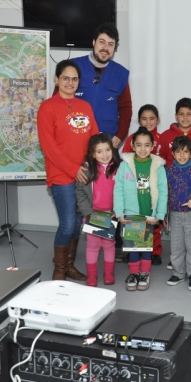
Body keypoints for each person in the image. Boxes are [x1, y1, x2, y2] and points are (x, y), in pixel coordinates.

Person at [38, 59, 98, 281]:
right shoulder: (48, 108)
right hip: (61, 175)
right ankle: (59, 271)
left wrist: (92, 164)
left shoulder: (85, 107)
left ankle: (69, 265)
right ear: (57, 79)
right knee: (66, 223)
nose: (70, 82)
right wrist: (73, 169)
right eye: (65, 78)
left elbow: (95, 139)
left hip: (83, 174)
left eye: (74, 79)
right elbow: (48, 147)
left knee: (76, 223)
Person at [114, 127, 167, 291]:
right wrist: (119, 212)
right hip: (130, 214)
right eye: (139, 145)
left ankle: (144, 273)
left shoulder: (158, 166)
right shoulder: (125, 165)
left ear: (152, 147)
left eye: (146, 145)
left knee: (145, 246)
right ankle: (134, 273)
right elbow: (118, 189)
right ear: (133, 146)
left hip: (149, 214)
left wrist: (159, 214)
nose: (142, 149)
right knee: (132, 246)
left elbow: (163, 190)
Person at [121, 104, 165, 265]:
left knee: (153, 220)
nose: (148, 122)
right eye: (144, 119)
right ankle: (134, 249)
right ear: (139, 121)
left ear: (158, 120)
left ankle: (155, 250)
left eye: (152, 118)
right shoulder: (132, 138)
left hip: (154, 185)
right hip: (135, 187)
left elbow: (166, 160)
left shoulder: (162, 138)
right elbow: (125, 160)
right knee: (135, 218)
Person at [76, 134, 121, 286]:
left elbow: (123, 191)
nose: (105, 154)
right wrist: (87, 212)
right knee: (92, 246)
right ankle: (92, 276)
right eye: (99, 151)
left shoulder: (118, 168)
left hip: (111, 214)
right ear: (93, 154)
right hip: (92, 214)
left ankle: (109, 273)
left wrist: (118, 210)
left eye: (107, 150)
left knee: (109, 244)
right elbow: (80, 193)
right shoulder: (87, 169)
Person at [165, 136, 191, 291]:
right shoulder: (167, 171)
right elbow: (164, 193)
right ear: (173, 153)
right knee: (176, 245)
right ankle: (179, 272)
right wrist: (165, 215)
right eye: (178, 152)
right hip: (174, 213)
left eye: (185, 152)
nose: (182, 155)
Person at [160, 98, 191, 167]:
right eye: (181, 114)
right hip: (169, 177)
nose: (185, 117)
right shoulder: (165, 136)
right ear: (176, 116)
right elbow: (159, 162)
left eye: (189, 114)